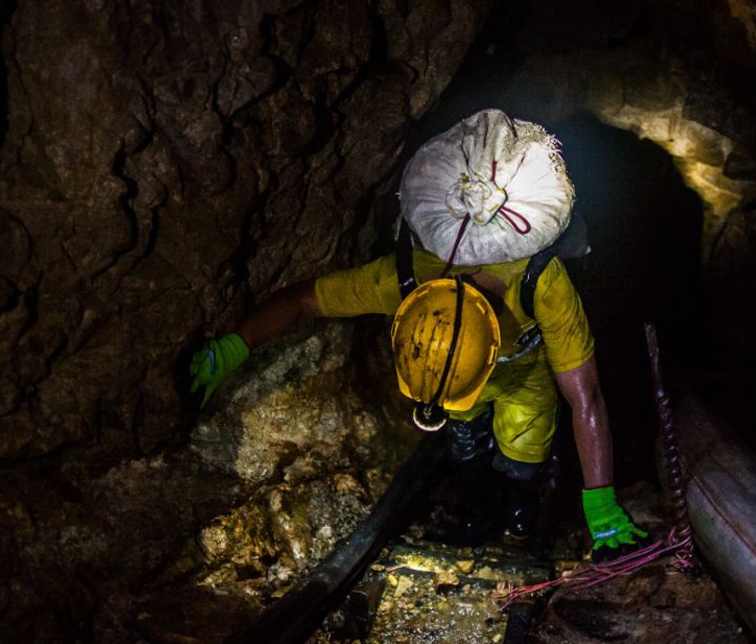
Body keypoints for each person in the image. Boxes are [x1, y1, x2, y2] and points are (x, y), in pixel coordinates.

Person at [190, 109, 650, 561]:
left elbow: (585, 396)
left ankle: (520, 513)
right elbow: (302, 300)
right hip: (455, 387)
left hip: (524, 382)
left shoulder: (540, 282)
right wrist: (232, 347)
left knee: (522, 461)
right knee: (465, 451)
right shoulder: (407, 276)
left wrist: (601, 504)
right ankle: (479, 511)